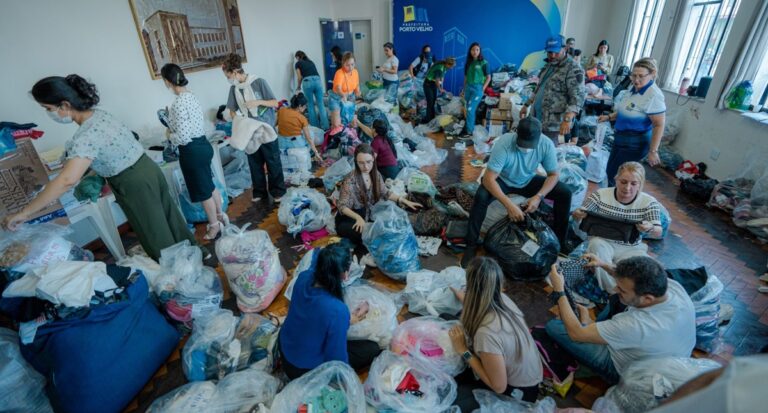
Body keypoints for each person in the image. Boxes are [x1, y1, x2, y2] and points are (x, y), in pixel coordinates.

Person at [1, 75, 196, 260]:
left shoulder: (85, 135)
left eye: (48, 108)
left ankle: (179, 282)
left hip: (133, 182)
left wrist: (25, 213)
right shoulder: (100, 115)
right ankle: (197, 259)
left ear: (65, 105)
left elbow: (67, 181)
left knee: (155, 234)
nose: (48, 113)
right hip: (148, 169)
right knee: (172, 223)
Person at [545, 255, 696, 384]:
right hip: (663, 359)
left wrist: (559, 291)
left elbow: (576, 333)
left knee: (554, 326)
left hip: (630, 375)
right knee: (616, 300)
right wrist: (603, 264)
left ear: (647, 299)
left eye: (622, 289)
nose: (616, 289)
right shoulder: (672, 288)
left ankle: (592, 333)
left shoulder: (636, 326)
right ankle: (593, 326)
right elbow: (630, 282)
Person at [462, 117, 572, 268]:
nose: (526, 148)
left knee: (565, 193)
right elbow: (488, 179)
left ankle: (561, 242)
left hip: (527, 180)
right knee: (481, 197)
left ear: (539, 137)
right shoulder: (504, 143)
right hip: (504, 181)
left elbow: (553, 175)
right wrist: (509, 205)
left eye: (529, 145)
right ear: (516, 134)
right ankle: (471, 244)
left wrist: (538, 197)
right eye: (522, 143)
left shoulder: (546, 144)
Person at [449, 257, 543, 411]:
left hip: (518, 393)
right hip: (522, 375)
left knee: (452, 396)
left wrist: (464, 351)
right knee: (447, 320)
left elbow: (499, 387)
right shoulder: (503, 299)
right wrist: (457, 292)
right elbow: (476, 302)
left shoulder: (486, 333)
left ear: (470, 286)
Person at [278, 241, 381, 380]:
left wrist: (347, 319)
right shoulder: (336, 310)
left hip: (285, 349)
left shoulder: (303, 277)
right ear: (345, 275)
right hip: (301, 370)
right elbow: (337, 359)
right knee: (372, 349)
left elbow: (313, 317)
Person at [572, 162, 663, 292]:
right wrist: (577, 214)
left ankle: (628, 293)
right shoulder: (600, 195)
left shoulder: (649, 202)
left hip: (631, 248)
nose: (627, 188)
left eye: (634, 183)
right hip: (602, 243)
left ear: (640, 184)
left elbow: (658, 232)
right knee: (596, 244)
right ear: (616, 179)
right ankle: (614, 292)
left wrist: (650, 228)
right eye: (623, 182)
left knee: (647, 272)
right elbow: (579, 214)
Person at [161, 64, 227, 240]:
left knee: (203, 192)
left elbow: (182, 137)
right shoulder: (191, 96)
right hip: (203, 146)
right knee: (210, 185)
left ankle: (214, 226)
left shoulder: (178, 103)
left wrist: (169, 134)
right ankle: (221, 216)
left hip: (191, 152)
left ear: (167, 82)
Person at [222, 53, 286, 203]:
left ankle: (278, 191)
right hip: (250, 131)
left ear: (235, 72)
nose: (228, 79)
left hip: (266, 128)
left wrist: (257, 102)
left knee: (273, 161)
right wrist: (234, 116)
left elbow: (275, 103)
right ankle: (259, 192)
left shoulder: (258, 82)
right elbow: (231, 109)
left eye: (228, 75)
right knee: (254, 162)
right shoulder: (234, 89)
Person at [336, 144, 421, 245]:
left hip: (367, 213)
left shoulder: (375, 174)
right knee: (365, 234)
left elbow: (385, 193)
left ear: (373, 158)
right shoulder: (350, 180)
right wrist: (358, 218)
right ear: (356, 162)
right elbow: (342, 206)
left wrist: (404, 200)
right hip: (350, 216)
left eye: (368, 162)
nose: (366, 167)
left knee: (390, 225)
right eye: (361, 163)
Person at [599, 57, 665, 186]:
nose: (636, 79)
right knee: (611, 171)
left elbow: (658, 124)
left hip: (635, 143)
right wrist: (609, 117)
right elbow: (627, 109)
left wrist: (653, 151)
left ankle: (619, 203)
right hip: (620, 138)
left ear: (652, 75)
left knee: (620, 176)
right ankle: (612, 201)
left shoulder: (653, 95)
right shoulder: (634, 88)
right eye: (633, 75)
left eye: (641, 76)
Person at [520, 35, 586, 144]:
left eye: (556, 52)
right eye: (550, 52)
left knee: (548, 153)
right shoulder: (549, 66)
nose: (553, 55)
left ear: (565, 49)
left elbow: (577, 97)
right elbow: (539, 87)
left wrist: (568, 119)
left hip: (553, 124)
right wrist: (526, 105)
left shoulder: (573, 68)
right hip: (537, 118)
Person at [276, 93, 324, 166]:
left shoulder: (281, 110)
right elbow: (309, 138)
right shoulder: (302, 118)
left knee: (302, 133)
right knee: (310, 133)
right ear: (299, 106)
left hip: (281, 142)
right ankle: (309, 154)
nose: (305, 108)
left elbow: (275, 124)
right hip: (294, 144)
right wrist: (316, 153)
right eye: (305, 106)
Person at [294, 50, 328, 130]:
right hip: (318, 81)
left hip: (307, 82)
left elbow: (299, 77)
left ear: (298, 57)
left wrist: (298, 86)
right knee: (321, 104)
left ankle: (315, 128)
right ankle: (326, 127)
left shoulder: (298, 63)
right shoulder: (310, 62)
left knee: (310, 105)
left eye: (296, 58)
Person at [462, 42, 490, 136]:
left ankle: (469, 132)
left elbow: (488, 77)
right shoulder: (468, 63)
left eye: (477, 49)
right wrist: (463, 89)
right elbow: (465, 78)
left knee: (470, 109)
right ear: (470, 51)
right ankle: (467, 127)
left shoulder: (484, 62)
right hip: (468, 88)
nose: (475, 51)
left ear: (479, 51)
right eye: (473, 49)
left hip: (478, 89)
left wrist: (483, 89)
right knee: (467, 108)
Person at [330, 52, 362, 128]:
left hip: (350, 96)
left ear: (355, 63)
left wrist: (358, 91)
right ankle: (335, 136)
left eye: (352, 64)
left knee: (352, 122)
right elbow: (338, 88)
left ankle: (350, 136)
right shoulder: (339, 73)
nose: (350, 67)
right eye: (347, 65)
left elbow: (356, 84)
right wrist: (343, 95)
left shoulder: (355, 72)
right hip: (336, 98)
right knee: (337, 124)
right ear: (343, 63)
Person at [422, 57, 456, 124]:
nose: (452, 68)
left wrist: (441, 88)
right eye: (452, 66)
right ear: (448, 64)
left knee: (433, 101)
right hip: (428, 84)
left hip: (433, 85)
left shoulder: (445, 68)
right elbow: (437, 80)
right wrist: (440, 89)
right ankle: (428, 120)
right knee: (430, 102)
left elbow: (442, 78)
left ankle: (431, 118)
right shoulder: (439, 68)